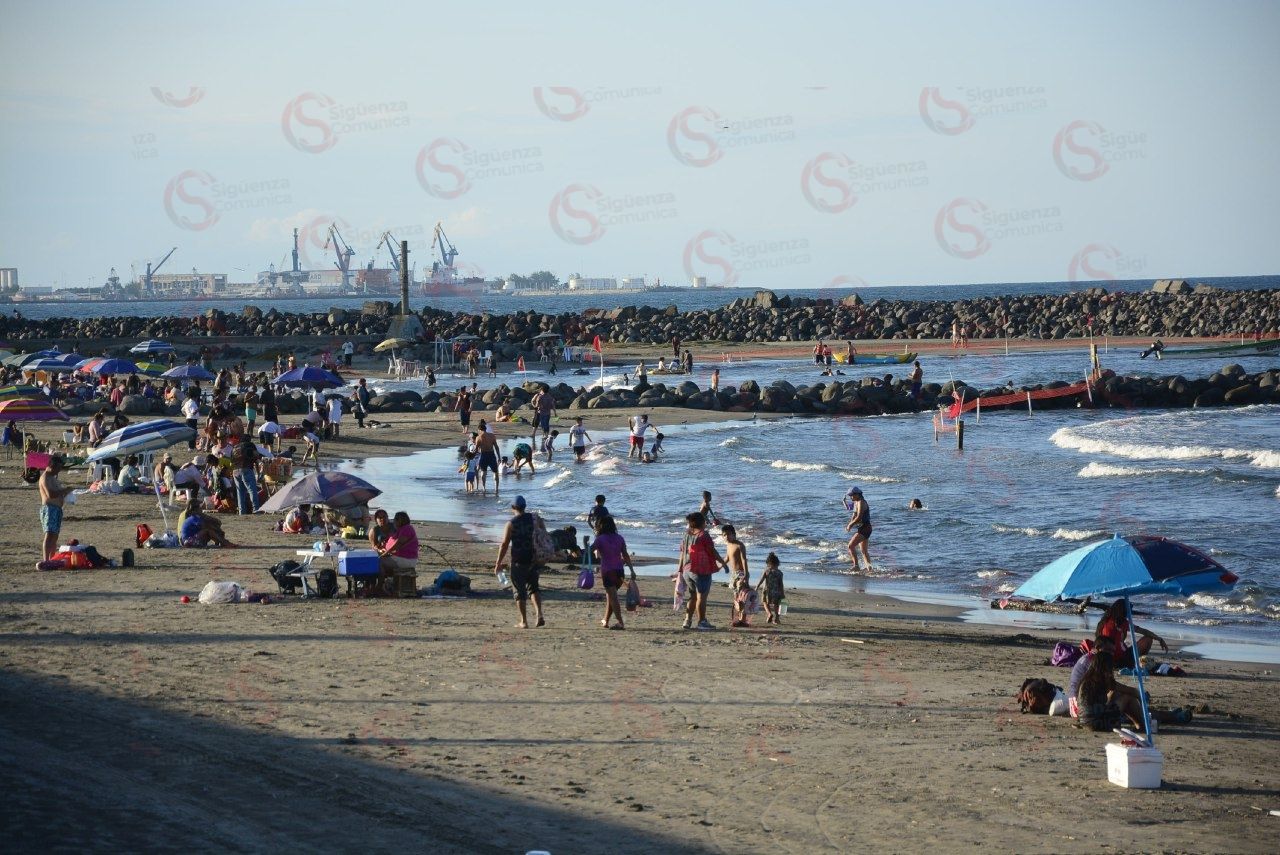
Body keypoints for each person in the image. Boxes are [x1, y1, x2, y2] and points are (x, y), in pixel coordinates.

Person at [493, 495, 544, 629]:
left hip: (518, 560)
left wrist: (498, 563)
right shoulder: (535, 519)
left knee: (519, 591)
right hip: (534, 558)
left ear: (513, 508)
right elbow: (543, 533)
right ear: (525, 506)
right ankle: (539, 615)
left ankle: (524, 621)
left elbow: (504, 544)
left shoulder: (511, 523)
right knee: (533, 588)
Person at [680, 511, 730, 630]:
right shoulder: (704, 535)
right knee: (702, 597)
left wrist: (680, 570)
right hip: (700, 570)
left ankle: (687, 620)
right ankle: (702, 622)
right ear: (702, 522)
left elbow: (682, 553)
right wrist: (723, 564)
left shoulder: (686, 534)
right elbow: (712, 551)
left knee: (693, 596)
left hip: (687, 569)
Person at [592, 515, 636, 630]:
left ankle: (620, 622)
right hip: (620, 571)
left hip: (608, 571)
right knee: (610, 596)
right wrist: (631, 569)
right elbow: (625, 555)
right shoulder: (619, 538)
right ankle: (605, 620)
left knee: (613, 597)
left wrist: (585, 542)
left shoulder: (600, 539)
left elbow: (589, 551)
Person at [1097, 599, 1167, 660]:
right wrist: (1159, 639)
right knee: (1148, 639)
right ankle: (1140, 662)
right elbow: (1143, 631)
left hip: (1108, 656)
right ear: (1123, 611)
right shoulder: (1121, 623)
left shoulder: (1104, 621)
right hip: (1120, 656)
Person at [37, 455, 73, 564]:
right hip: (49, 508)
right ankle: (46, 559)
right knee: (49, 534)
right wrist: (64, 491)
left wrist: (67, 491)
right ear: (52, 466)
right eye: (58, 468)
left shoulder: (53, 478)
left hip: (57, 509)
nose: (59, 471)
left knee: (55, 536)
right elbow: (50, 494)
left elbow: (58, 492)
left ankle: (51, 559)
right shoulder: (45, 477)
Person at [377, 511, 418, 586]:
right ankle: (384, 584)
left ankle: (379, 586)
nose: (394, 522)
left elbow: (399, 543)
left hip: (406, 560)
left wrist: (386, 553)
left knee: (379, 562)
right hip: (399, 558)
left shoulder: (407, 528)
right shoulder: (400, 530)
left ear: (400, 520)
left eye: (395, 520)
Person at [723, 523, 751, 627]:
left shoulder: (740, 545)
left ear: (734, 534)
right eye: (724, 535)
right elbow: (727, 558)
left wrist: (746, 575)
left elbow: (744, 560)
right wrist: (719, 566)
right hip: (733, 574)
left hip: (741, 573)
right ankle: (739, 618)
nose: (727, 537)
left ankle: (743, 620)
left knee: (742, 597)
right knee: (736, 597)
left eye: (729, 534)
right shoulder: (728, 545)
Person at [844, 487, 872, 571]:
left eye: (852, 495)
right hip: (863, 528)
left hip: (865, 528)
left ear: (857, 494)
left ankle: (856, 566)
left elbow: (859, 516)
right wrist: (850, 523)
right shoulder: (856, 502)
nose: (850, 497)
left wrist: (850, 524)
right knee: (864, 551)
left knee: (850, 546)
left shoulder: (861, 502)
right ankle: (870, 569)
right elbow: (852, 512)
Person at [233, 433, 261, 514]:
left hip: (235, 471)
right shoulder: (250, 445)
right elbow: (256, 457)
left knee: (240, 492)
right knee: (252, 490)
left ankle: (242, 512)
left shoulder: (235, 447)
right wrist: (258, 473)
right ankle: (256, 510)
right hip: (246, 469)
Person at [756, 553, 786, 625]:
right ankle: (777, 619)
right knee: (776, 605)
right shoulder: (780, 573)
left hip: (767, 590)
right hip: (777, 591)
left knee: (765, 602)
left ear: (768, 563)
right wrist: (782, 593)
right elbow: (781, 584)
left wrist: (757, 586)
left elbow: (761, 579)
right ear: (778, 564)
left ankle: (769, 614)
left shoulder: (767, 571)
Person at [474, 423, 501, 494]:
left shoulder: (478, 437)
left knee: (483, 472)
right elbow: (496, 447)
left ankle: (484, 488)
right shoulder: (492, 436)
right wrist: (499, 457)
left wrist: (471, 456)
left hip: (484, 455)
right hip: (491, 455)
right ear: (485, 429)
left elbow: (476, 450)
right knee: (495, 472)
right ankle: (496, 489)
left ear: (479, 430)